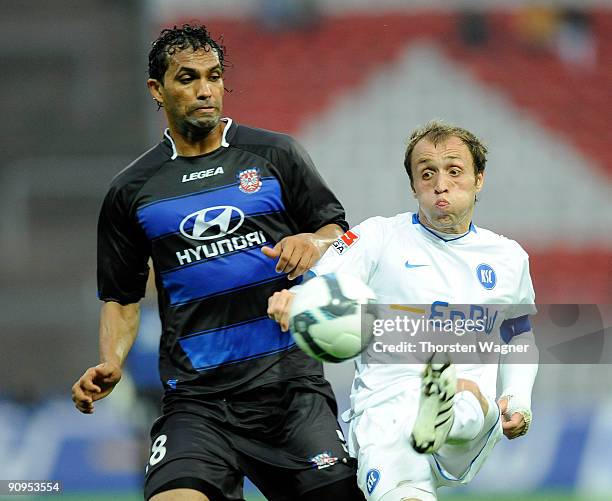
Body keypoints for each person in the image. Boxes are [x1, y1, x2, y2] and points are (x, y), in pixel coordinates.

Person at [71, 24, 365, 501]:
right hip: (197, 403)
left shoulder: (277, 155)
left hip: (289, 392)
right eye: (188, 78)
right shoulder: (132, 190)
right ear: (157, 90)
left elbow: (346, 236)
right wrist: (111, 361)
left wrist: (314, 242)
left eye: (214, 76)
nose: (205, 90)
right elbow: (122, 298)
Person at [268, 121, 539, 501]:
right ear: (413, 186)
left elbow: (518, 332)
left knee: (466, 397)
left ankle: (448, 404)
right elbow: (321, 283)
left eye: (454, 171)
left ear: (479, 179)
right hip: (388, 413)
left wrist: (518, 396)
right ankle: (445, 403)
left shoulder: (508, 257)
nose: (440, 183)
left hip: (471, 423)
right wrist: (293, 301)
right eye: (427, 173)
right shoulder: (377, 237)